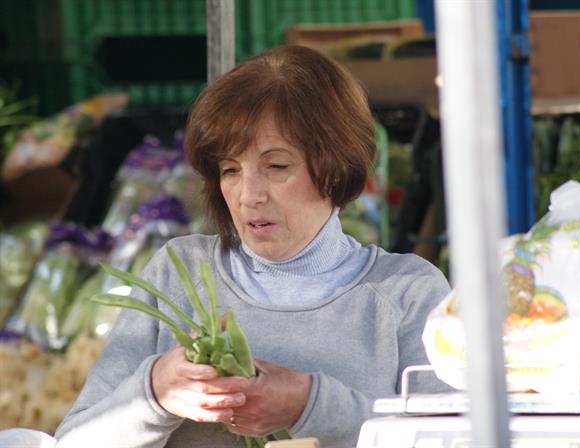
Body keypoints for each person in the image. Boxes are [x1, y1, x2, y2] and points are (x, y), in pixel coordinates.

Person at [55, 44, 451, 448]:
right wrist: (154, 394)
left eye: (276, 166)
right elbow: (72, 442)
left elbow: (455, 439)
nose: (248, 196)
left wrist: (311, 407)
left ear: (336, 167)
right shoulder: (180, 273)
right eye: (230, 170)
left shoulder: (407, 291)